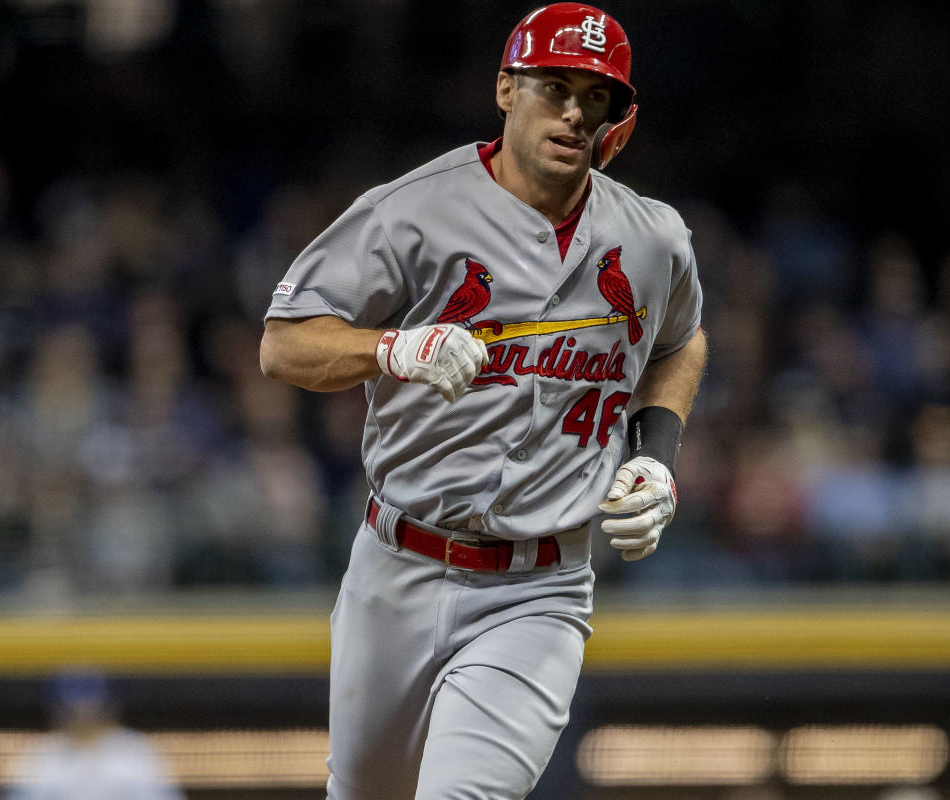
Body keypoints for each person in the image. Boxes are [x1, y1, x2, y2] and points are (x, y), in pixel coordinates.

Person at [260, 4, 707, 798]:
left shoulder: (652, 237)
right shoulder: (411, 208)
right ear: (506, 88)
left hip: (541, 585)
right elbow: (284, 343)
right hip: (397, 564)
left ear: (619, 120)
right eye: (554, 86)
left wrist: (656, 458)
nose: (573, 112)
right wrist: (390, 347)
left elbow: (681, 339)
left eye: (595, 97)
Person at [0, 668, 185, 800]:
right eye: (73, 705)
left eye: (91, 704)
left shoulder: (136, 750)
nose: (83, 712)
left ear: (110, 705)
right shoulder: (40, 754)